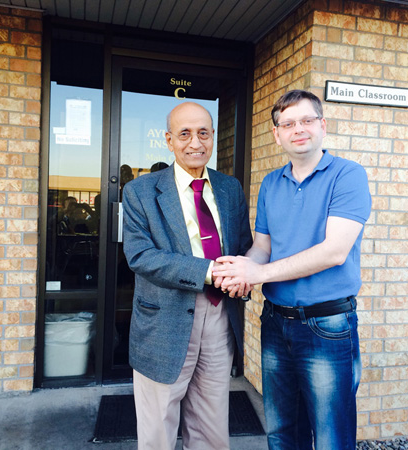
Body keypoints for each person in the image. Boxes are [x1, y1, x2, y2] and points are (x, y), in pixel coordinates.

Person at [213, 90, 371, 449]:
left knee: (331, 437)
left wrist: (259, 274)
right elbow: (264, 246)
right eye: (288, 123)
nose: (298, 129)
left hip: (327, 325)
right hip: (275, 322)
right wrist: (240, 269)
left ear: (322, 125)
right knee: (283, 433)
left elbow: (334, 251)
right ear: (277, 133)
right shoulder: (271, 183)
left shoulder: (348, 175)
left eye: (306, 120)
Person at [122, 101, 253, 450]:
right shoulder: (140, 191)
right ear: (169, 140)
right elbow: (140, 255)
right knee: (157, 431)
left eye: (203, 133)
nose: (195, 142)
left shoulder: (229, 188)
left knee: (211, 425)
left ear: (212, 137)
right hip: (165, 318)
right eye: (185, 134)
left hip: (220, 316)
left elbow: (243, 246)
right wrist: (209, 271)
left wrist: (244, 276)